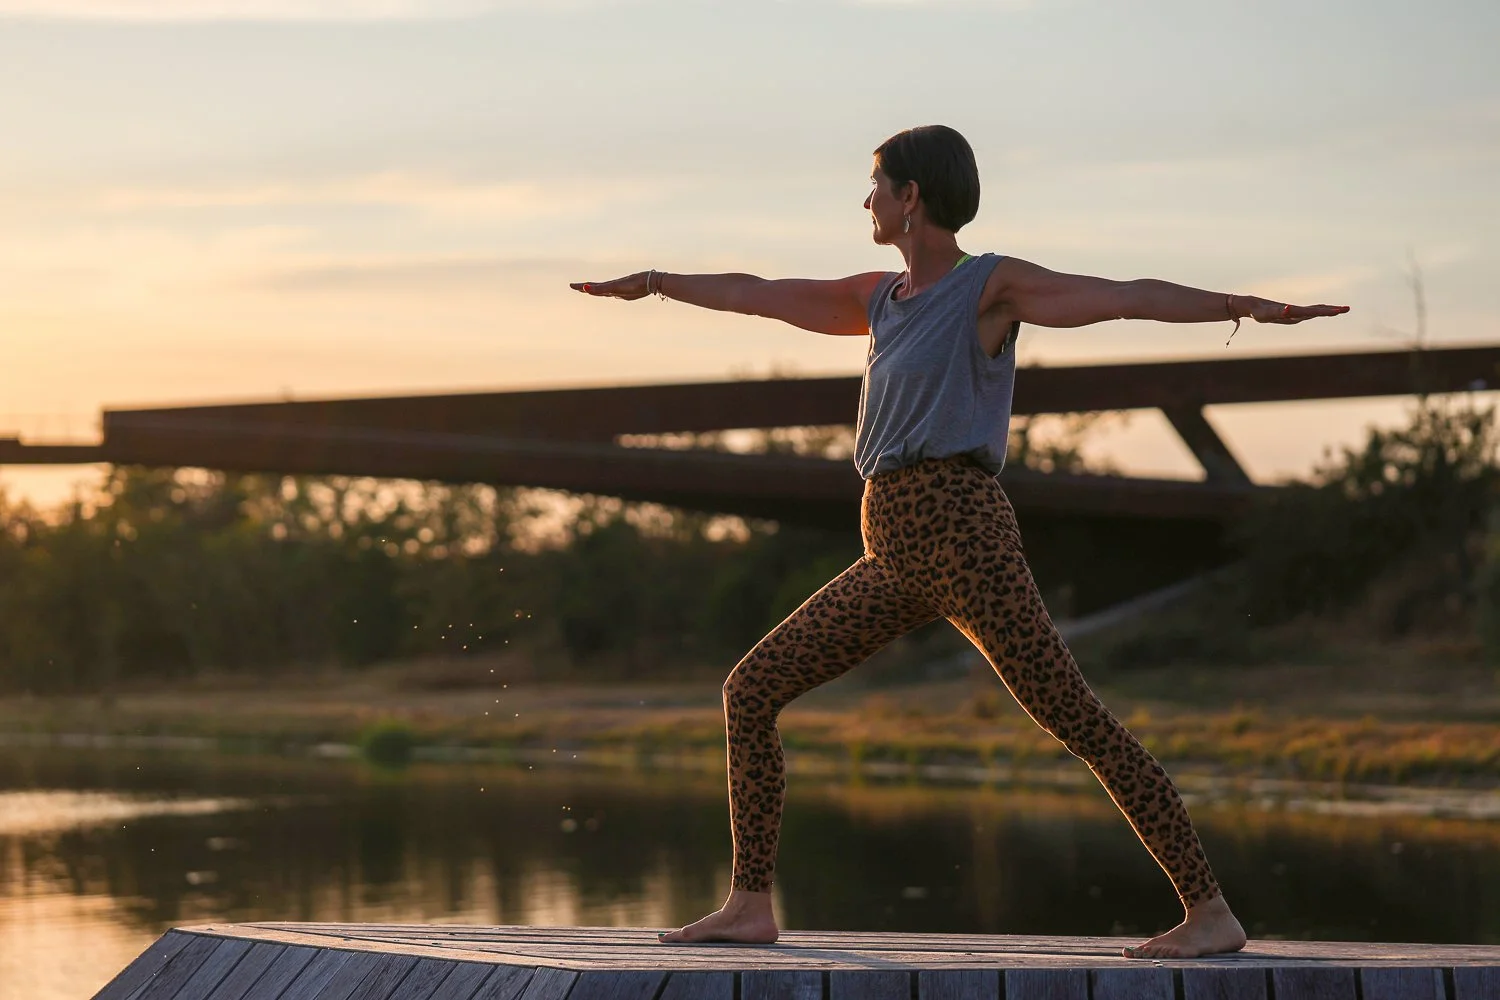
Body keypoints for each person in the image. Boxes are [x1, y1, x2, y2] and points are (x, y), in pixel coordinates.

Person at [570, 124, 1349, 959]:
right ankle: (750, 903)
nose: (865, 200)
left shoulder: (989, 288)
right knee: (751, 690)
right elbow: (757, 292)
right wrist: (655, 283)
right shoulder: (877, 300)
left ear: (912, 197)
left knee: (1074, 716)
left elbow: (1122, 294)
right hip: (891, 550)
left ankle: (1210, 910)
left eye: (876, 185)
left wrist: (1243, 307)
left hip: (962, 534)